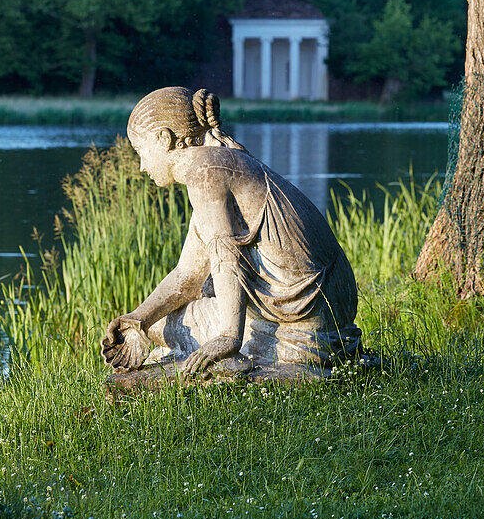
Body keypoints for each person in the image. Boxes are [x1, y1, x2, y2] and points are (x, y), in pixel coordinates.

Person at [101, 87, 363, 376]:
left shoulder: (205, 172)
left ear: (164, 139)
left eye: (140, 151)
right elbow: (188, 276)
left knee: (166, 327)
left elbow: (226, 260)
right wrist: (137, 318)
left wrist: (228, 337)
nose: (141, 166)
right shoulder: (220, 162)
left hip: (301, 330)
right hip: (331, 317)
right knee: (158, 321)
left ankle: (235, 355)